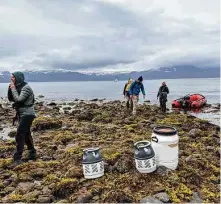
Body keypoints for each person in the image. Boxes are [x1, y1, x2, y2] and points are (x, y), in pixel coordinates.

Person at [8, 71, 36, 167]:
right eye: (11, 77)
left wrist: (13, 88)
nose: (11, 79)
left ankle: (17, 158)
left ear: (18, 78)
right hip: (22, 113)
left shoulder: (26, 88)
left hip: (28, 114)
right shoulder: (18, 86)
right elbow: (11, 98)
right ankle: (32, 152)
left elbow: (19, 99)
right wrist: (11, 88)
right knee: (26, 133)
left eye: (13, 77)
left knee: (20, 134)